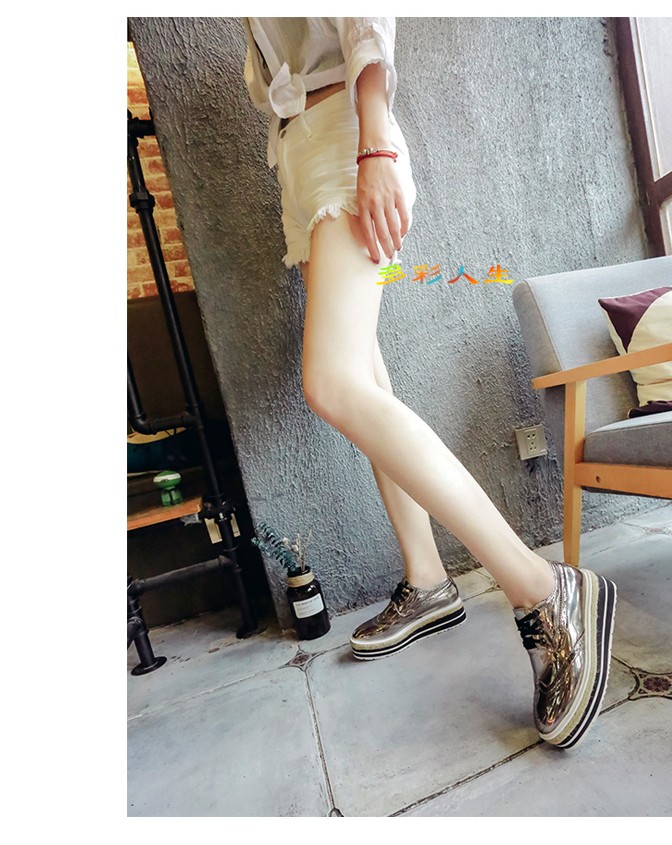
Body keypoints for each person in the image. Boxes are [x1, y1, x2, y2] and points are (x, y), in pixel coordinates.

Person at [241, 16, 617, 749]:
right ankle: (427, 576)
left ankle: (544, 587)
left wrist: (375, 139)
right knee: (363, 373)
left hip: (346, 129)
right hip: (298, 151)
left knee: (332, 382)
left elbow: (363, 17)